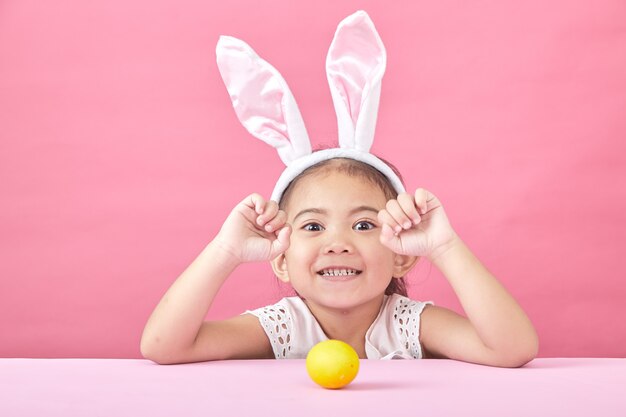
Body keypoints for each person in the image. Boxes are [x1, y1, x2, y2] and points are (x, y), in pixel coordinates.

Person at [140, 11, 538, 367]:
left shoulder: (409, 324)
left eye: (363, 225)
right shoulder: (284, 326)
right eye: (313, 227)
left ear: (401, 255)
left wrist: (445, 247)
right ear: (281, 257)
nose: (338, 244)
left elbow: (512, 349)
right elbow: (164, 346)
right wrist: (225, 252)